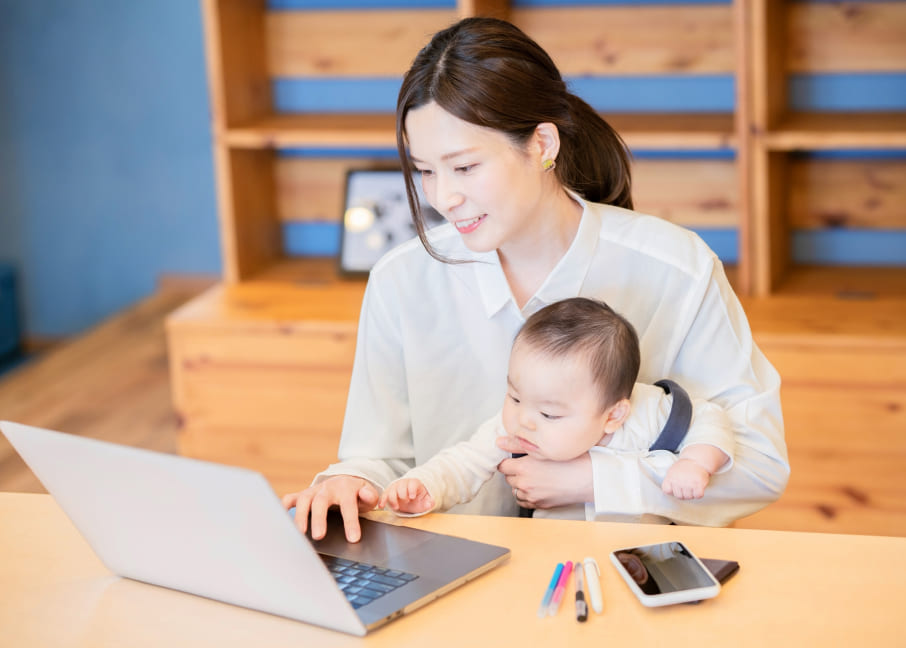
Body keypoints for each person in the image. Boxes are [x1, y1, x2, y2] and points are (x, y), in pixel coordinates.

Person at [282, 16, 788, 542]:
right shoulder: (402, 279)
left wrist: (596, 480)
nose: (442, 198)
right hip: (451, 577)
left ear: (542, 144)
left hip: (612, 574)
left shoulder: (675, 267)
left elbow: (759, 463)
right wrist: (347, 481)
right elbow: (379, 457)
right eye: (425, 170)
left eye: (465, 167)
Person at [378, 298, 733, 520]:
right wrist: (425, 487)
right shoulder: (512, 434)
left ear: (613, 416)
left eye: (549, 414)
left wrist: (696, 462)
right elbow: (464, 463)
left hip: (643, 558)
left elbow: (708, 417)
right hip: (553, 558)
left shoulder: (647, 415)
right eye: (514, 398)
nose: (524, 421)